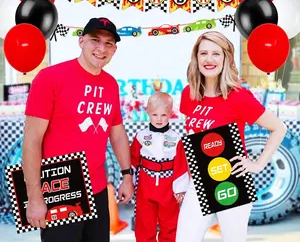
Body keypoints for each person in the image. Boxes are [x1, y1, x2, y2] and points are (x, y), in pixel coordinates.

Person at [22, 17, 134, 242]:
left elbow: (117, 132)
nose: (101, 48)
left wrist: (127, 175)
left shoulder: (110, 84)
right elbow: (32, 141)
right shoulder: (50, 78)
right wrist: (34, 196)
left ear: (114, 49)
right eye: (95, 40)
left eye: (108, 43)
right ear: (81, 41)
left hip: (98, 187)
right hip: (61, 186)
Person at [176, 31, 287, 242]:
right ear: (196, 57)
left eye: (216, 54)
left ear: (226, 58)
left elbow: (279, 128)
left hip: (231, 180)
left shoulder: (238, 97)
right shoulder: (188, 94)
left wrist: (257, 164)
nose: (209, 59)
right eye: (204, 53)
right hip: (198, 181)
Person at [130, 92, 189, 242]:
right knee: (144, 222)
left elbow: (181, 165)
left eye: (163, 115)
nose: (159, 119)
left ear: (171, 114)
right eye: (155, 114)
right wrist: (129, 182)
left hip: (167, 186)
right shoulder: (140, 136)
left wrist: (180, 189)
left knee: (170, 222)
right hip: (146, 184)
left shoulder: (176, 138)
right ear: (148, 112)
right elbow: (133, 160)